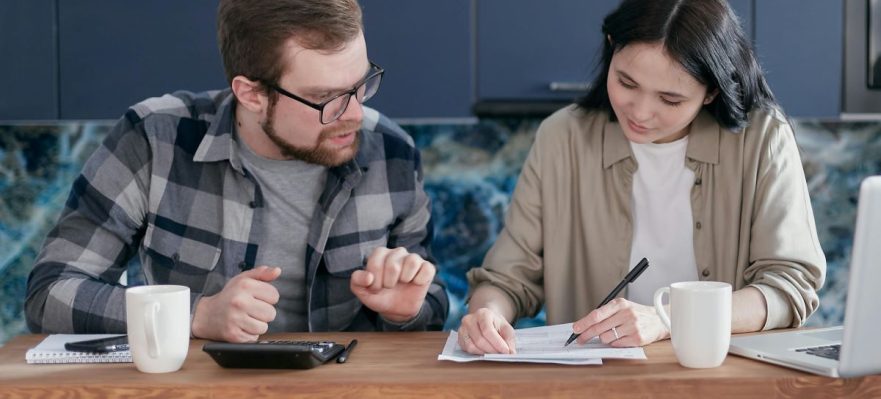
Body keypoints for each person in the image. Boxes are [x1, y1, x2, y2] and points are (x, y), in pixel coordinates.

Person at [25, 0, 448, 342]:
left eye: (361, 85)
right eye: (326, 99)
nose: (355, 114)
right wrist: (197, 315)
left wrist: (407, 310)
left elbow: (430, 306)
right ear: (252, 94)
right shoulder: (155, 139)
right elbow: (50, 294)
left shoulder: (392, 152)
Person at [459, 0, 826, 354]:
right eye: (626, 83)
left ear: (711, 91)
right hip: (594, 383)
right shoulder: (562, 138)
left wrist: (670, 320)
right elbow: (507, 279)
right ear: (610, 48)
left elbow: (790, 287)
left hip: (726, 379)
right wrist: (486, 315)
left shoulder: (762, 139)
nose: (641, 112)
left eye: (670, 100)